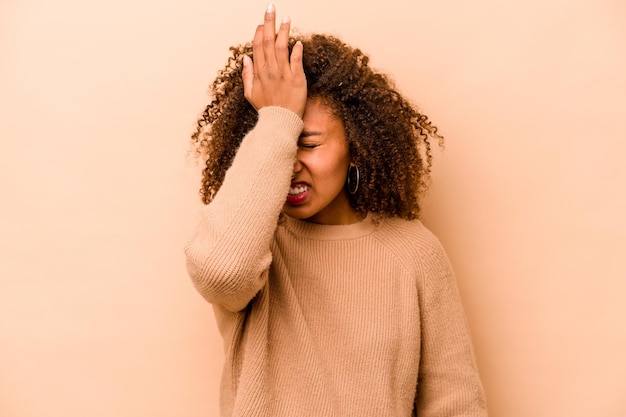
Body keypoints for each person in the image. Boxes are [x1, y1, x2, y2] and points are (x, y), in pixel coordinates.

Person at [185, 4, 487, 416]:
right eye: (279, 142)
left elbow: (454, 404)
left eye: (307, 143)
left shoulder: (415, 252)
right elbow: (221, 271)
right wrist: (277, 118)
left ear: (356, 148)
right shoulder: (255, 248)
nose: (290, 161)